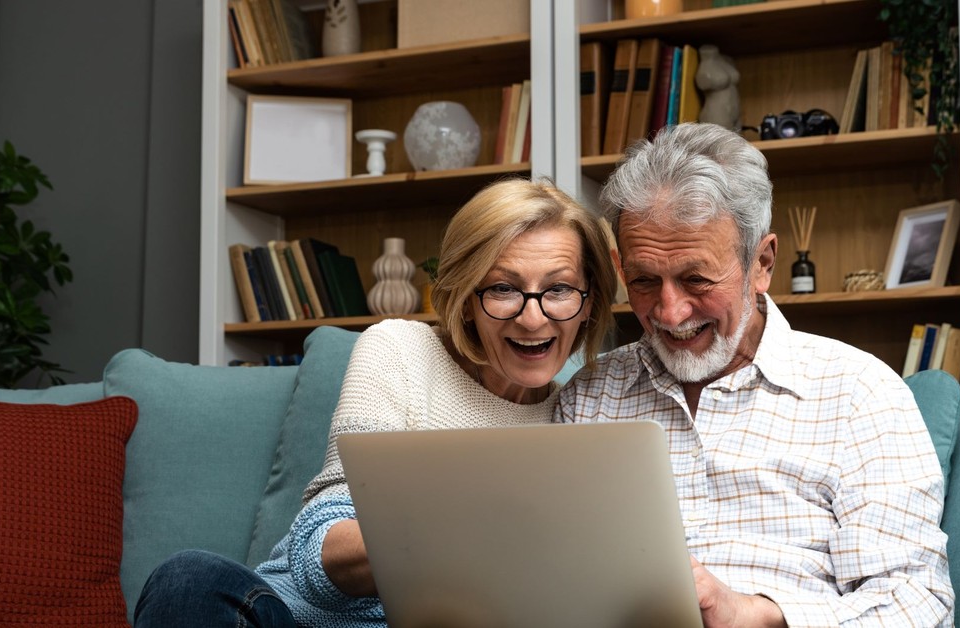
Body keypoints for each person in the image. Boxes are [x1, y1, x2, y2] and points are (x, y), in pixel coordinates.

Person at [134, 177, 617, 627]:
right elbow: (316, 556)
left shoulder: (581, 416)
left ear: (589, 300)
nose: (532, 319)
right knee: (188, 577)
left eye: (558, 289)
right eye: (503, 289)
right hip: (299, 619)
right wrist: (473, 531)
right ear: (467, 297)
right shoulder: (401, 351)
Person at [555, 123, 955, 627]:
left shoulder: (858, 393)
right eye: (643, 281)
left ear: (761, 262)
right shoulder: (588, 399)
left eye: (696, 279)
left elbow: (920, 602)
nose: (670, 312)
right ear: (619, 266)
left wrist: (760, 616)